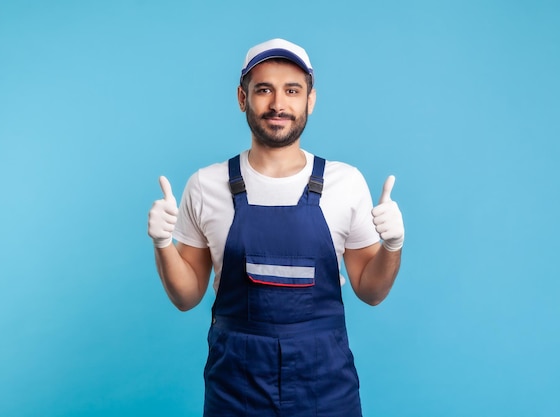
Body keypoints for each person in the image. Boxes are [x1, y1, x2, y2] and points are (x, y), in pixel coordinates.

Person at [147, 38, 404, 417]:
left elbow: (372, 291)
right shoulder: (206, 184)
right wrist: (163, 243)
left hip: (326, 389)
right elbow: (186, 297)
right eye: (264, 89)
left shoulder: (345, 183)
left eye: (292, 91)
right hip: (236, 390)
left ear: (310, 100)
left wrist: (392, 246)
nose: (278, 104)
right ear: (242, 97)